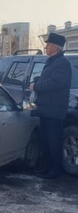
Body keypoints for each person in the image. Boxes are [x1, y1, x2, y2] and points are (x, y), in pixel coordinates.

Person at [29, 32, 71, 179]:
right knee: (45, 140)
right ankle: (45, 167)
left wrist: (37, 86)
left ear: (55, 47)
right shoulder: (53, 61)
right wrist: (36, 80)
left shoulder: (62, 63)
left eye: (48, 45)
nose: (45, 47)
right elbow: (47, 78)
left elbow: (55, 83)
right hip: (46, 109)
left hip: (54, 110)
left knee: (54, 141)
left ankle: (55, 169)